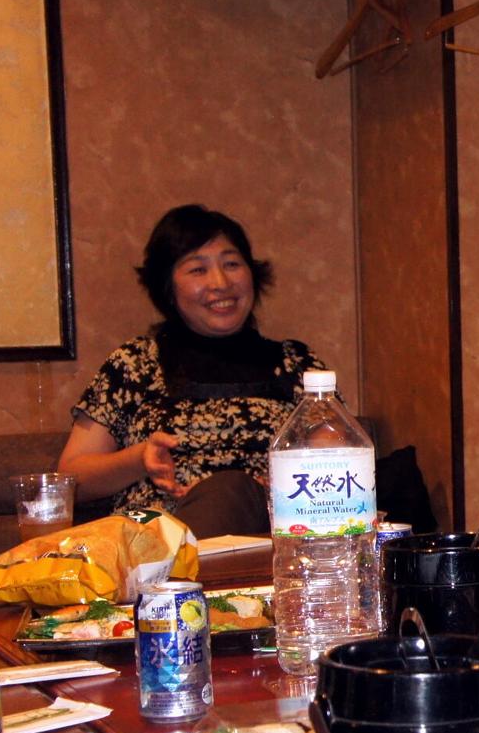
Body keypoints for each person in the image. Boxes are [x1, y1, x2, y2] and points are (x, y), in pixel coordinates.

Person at [59, 205, 325, 538]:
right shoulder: (134, 363)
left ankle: (188, 565)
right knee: (220, 498)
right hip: (151, 535)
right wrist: (140, 460)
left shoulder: (296, 364)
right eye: (198, 269)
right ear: (167, 287)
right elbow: (70, 481)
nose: (220, 283)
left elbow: (341, 463)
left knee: (232, 491)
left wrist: (289, 483)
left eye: (232, 264)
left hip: (270, 538)